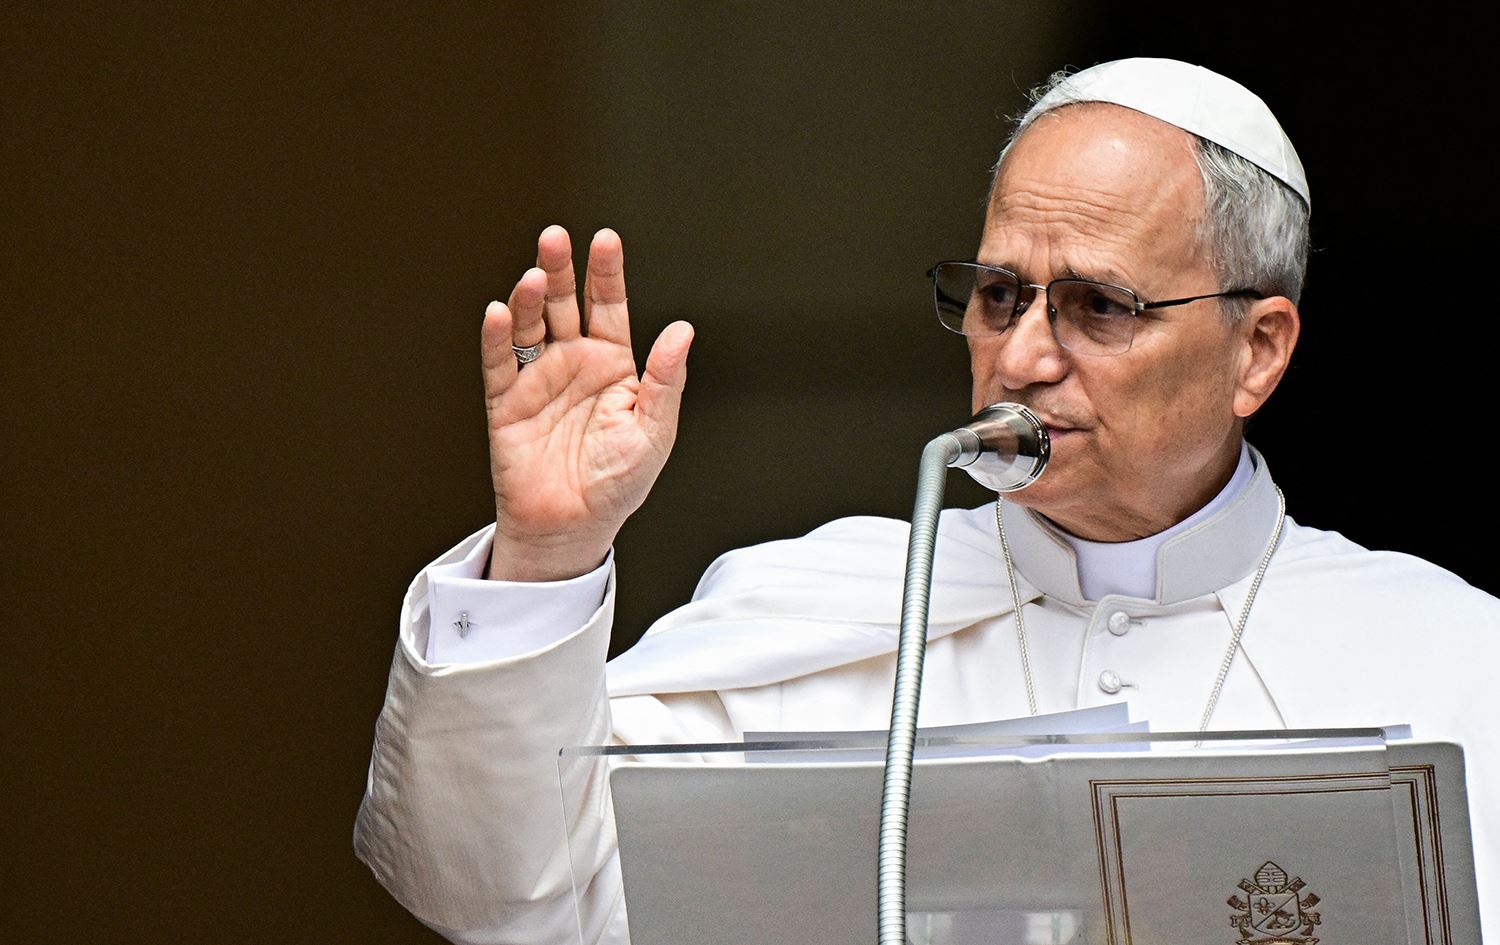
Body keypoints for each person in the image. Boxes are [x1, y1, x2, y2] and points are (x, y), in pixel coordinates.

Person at [354, 58, 1499, 943]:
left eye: (1099, 307)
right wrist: (547, 552)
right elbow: (503, 896)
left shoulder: (1451, 659)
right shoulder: (818, 615)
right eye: (1000, 295)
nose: (1024, 358)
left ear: (1258, 350)